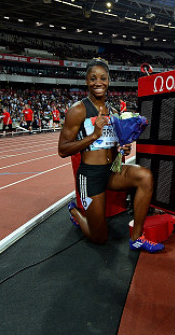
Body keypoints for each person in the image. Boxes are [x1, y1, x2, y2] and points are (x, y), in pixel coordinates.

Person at [57, 58, 163, 253]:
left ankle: (137, 238)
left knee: (145, 177)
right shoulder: (78, 110)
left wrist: (122, 150)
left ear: (108, 81)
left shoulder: (113, 112)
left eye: (103, 78)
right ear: (87, 82)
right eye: (93, 78)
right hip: (89, 176)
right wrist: (94, 135)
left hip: (111, 172)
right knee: (100, 238)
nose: (98, 82)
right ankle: (75, 211)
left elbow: (112, 147)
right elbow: (62, 149)